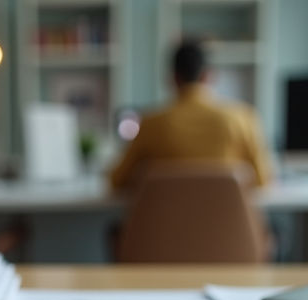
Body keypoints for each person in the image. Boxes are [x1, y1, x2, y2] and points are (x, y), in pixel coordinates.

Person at [108, 39, 274, 193]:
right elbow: (264, 180)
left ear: (173, 78)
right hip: (230, 223)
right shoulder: (244, 119)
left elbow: (116, 181)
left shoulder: (150, 124)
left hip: (166, 224)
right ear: (208, 76)